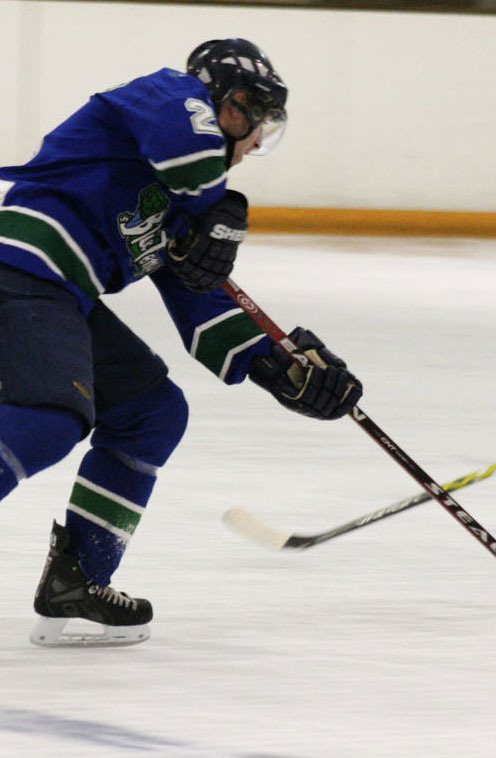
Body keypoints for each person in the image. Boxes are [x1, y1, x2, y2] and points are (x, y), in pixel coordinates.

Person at [0, 38, 363, 647]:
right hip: (20, 272)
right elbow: (184, 133)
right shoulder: (168, 95)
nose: (253, 144)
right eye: (256, 121)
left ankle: (76, 583)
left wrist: (281, 366)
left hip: (63, 295)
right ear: (233, 100)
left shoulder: (182, 204)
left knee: (150, 412)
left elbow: (202, 300)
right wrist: (220, 207)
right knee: (50, 417)